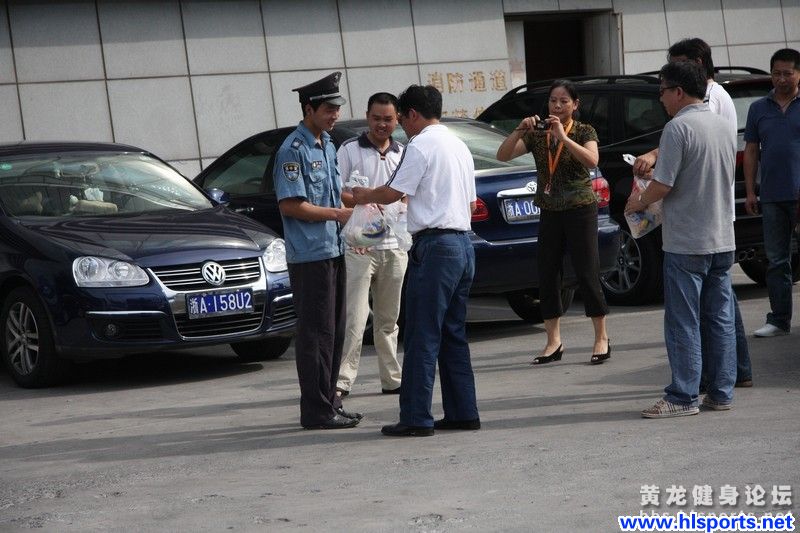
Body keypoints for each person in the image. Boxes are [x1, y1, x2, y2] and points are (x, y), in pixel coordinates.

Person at [351, 85, 479, 437]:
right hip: (463, 246)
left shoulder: (420, 145)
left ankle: (416, 417)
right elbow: (470, 205)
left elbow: (393, 192)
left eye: (402, 118)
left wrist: (364, 195)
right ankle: (463, 412)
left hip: (436, 247)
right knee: (453, 333)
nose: (401, 127)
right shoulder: (459, 145)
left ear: (412, 115)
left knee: (422, 334)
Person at [632, 37, 753, 388]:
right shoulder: (721, 125)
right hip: (721, 236)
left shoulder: (678, 128)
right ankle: (722, 390)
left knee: (683, 321)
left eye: (663, 91)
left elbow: (663, 186)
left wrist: (638, 201)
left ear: (680, 92)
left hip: (687, 241)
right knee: (719, 318)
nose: (660, 98)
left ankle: (683, 394)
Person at [496, 80, 610, 366]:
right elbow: (503, 154)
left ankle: (601, 337)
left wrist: (564, 137)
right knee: (547, 273)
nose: (557, 106)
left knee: (587, 271)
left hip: (580, 208)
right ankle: (553, 341)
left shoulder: (584, 130)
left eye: (563, 101)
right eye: (552, 101)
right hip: (549, 209)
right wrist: (519, 130)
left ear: (575, 105)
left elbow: (591, 159)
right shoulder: (538, 135)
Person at [273, 71, 361, 430]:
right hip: (309, 255)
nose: (335, 115)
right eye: (328, 109)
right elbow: (291, 205)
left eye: (337, 109)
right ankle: (315, 410)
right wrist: (337, 214)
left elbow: (336, 192)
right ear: (308, 108)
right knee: (315, 334)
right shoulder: (292, 150)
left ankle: (329, 401)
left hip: (333, 249)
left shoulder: (326, 144)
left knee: (335, 330)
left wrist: (367, 201)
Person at [336, 92, 406, 397]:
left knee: (389, 319)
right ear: (367, 117)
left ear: (397, 120)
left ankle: (392, 379)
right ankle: (342, 381)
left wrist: (375, 198)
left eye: (388, 119)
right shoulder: (349, 149)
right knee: (355, 315)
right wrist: (366, 203)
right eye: (376, 118)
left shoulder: (403, 152)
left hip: (394, 246)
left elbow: (406, 195)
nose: (382, 124)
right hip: (360, 246)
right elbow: (338, 192)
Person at [744, 48, 800, 338]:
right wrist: (751, 190)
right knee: (777, 261)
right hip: (773, 196)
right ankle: (779, 320)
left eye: (787, 73)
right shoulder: (758, 109)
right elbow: (751, 150)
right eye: (776, 73)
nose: (781, 79)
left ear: (798, 74)